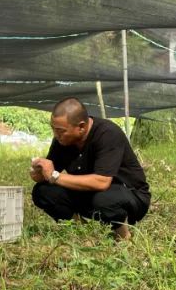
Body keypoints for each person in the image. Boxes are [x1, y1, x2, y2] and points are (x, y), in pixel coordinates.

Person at [29, 97, 150, 240]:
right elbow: (47, 175)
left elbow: (102, 182)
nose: (56, 135)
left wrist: (54, 176)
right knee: (42, 191)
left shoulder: (108, 134)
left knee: (104, 199)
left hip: (129, 197)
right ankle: (83, 232)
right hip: (90, 196)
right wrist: (39, 172)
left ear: (81, 127)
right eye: (54, 130)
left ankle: (123, 236)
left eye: (60, 131)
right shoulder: (62, 141)